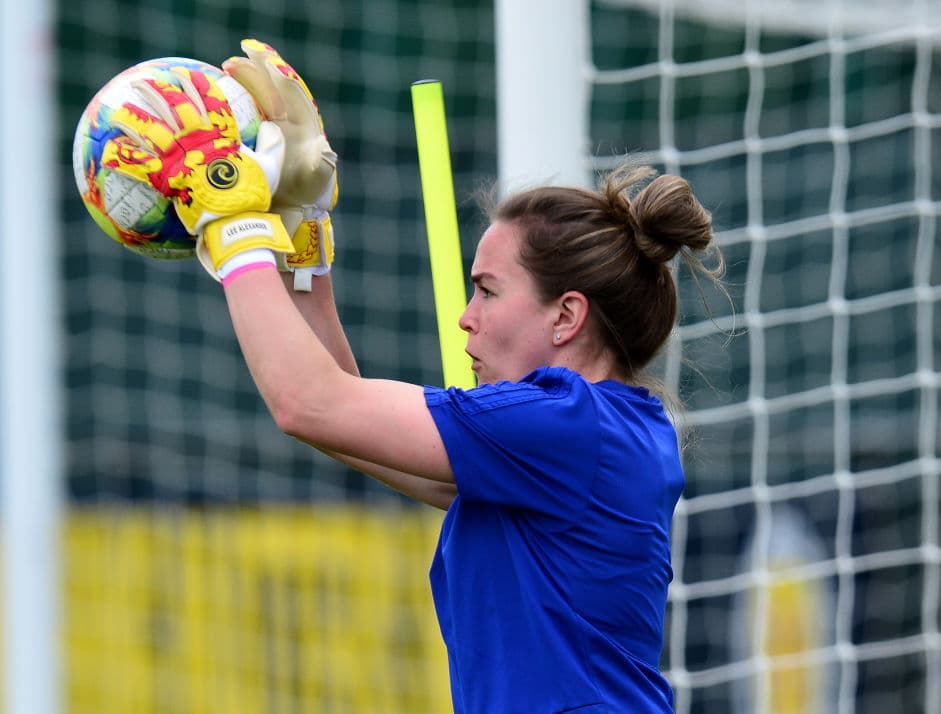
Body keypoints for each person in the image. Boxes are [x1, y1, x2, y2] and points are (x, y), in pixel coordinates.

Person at [112, 39, 724, 713]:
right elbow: (342, 418)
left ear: (566, 316)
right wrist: (302, 234)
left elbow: (307, 403)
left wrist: (232, 224)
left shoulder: (564, 423)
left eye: (487, 291)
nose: (467, 318)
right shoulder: (580, 432)